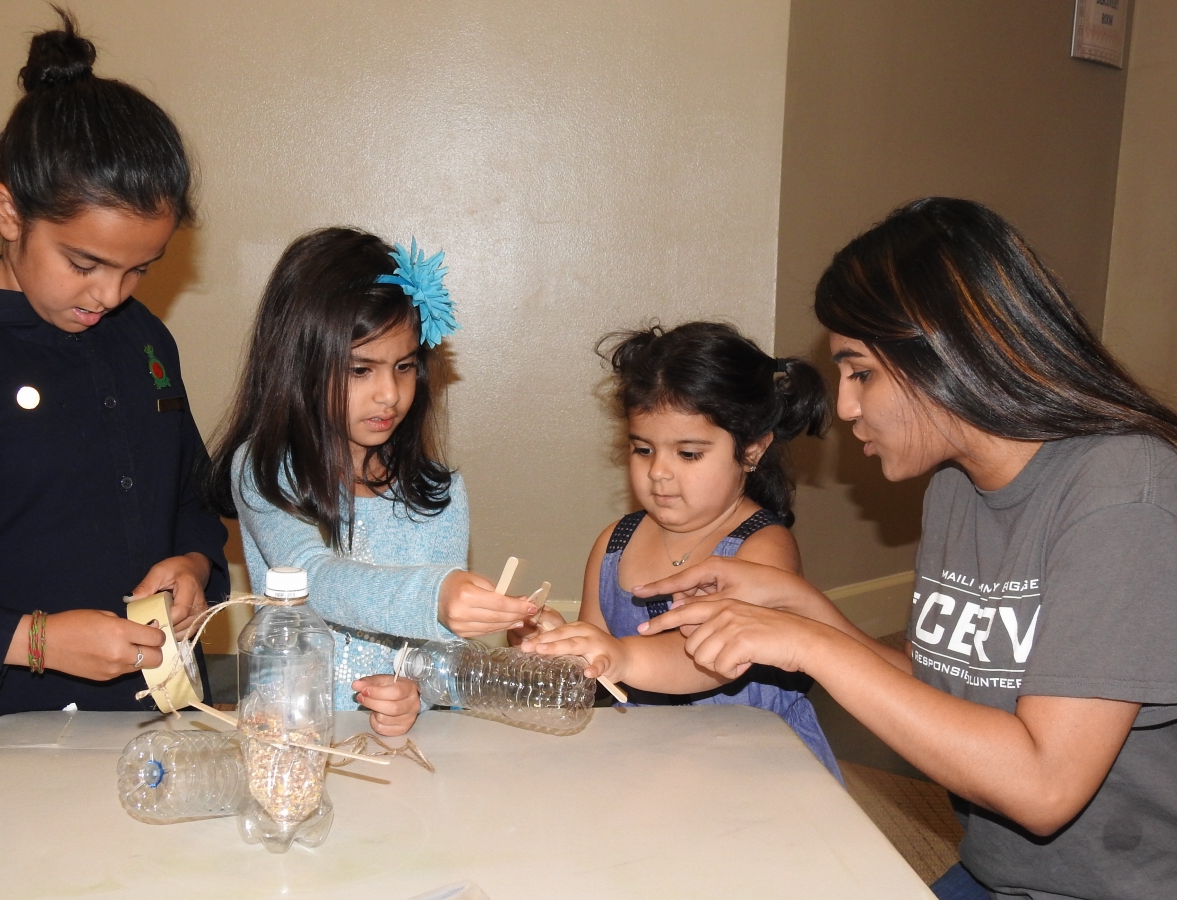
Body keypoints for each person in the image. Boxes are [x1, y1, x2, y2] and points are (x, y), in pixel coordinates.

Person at [630, 199, 1177, 900]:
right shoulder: (955, 485)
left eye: (861, 371)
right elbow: (945, 687)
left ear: (952, 348)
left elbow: (1044, 786)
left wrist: (809, 647)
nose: (847, 406)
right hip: (997, 874)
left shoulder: (1126, 494)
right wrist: (799, 610)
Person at [0, 11, 229, 821]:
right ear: (9, 214)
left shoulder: (145, 341)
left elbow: (187, 498)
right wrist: (34, 642)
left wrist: (192, 565)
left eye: (138, 271)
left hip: (142, 743)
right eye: (84, 264)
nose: (108, 297)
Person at [206, 227, 537, 737]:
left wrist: (417, 693)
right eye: (361, 370)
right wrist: (434, 597)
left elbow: (442, 661)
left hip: (402, 751)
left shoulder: (438, 494)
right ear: (299, 364)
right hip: (292, 740)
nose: (389, 394)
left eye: (404, 366)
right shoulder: (266, 471)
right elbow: (314, 580)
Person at [522, 322, 841, 779]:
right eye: (644, 450)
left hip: (750, 760)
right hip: (647, 755)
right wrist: (563, 645)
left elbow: (712, 662)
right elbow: (599, 673)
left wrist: (621, 654)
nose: (659, 473)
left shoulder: (763, 547)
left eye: (688, 454)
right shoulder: (614, 543)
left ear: (752, 450)